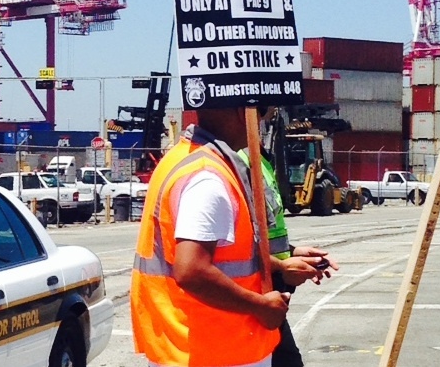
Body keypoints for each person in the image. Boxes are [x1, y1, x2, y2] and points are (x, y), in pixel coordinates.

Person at [132, 103, 291, 367]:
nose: (261, 128)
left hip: (189, 346)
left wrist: (281, 266)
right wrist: (261, 306)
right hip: (215, 350)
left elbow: (227, 261)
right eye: (263, 118)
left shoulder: (182, 157)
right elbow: (191, 270)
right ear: (245, 114)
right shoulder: (208, 177)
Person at [235, 135, 338, 367]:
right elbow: (233, 249)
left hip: (271, 291)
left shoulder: (261, 160)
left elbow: (267, 235)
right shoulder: (243, 162)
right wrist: (282, 266)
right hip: (253, 295)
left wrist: (294, 253)